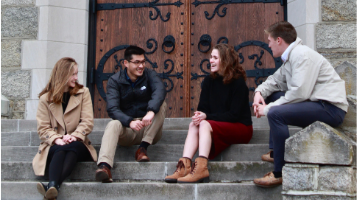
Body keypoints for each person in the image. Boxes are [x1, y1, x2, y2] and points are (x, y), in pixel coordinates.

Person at [252, 21, 348, 187]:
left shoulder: (301, 55)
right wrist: (258, 93)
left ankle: (279, 172)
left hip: (331, 109)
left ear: (279, 40)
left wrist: (266, 109)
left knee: (275, 113)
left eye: (269, 40)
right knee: (274, 95)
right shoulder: (290, 57)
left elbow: (299, 94)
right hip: (318, 104)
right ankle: (276, 152)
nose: (268, 44)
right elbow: (275, 80)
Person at [165, 43, 253, 183]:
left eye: (215, 57)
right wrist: (199, 116)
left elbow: (234, 115)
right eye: (211, 57)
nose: (210, 60)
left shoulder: (238, 83)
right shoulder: (208, 81)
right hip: (216, 124)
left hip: (240, 127)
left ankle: (201, 168)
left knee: (204, 124)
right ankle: (184, 166)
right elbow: (203, 108)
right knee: (194, 125)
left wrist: (207, 117)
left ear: (225, 60)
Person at [95, 45, 167, 183]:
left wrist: (151, 112)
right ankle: (104, 167)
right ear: (126, 63)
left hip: (149, 129)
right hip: (128, 129)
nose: (141, 66)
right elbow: (112, 109)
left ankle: (142, 149)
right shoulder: (115, 81)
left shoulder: (150, 75)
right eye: (137, 62)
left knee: (161, 104)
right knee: (113, 124)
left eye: (143, 62)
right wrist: (129, 122)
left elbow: (160, 91)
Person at [33, 57, 97, 200]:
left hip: (79, 142)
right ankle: (54, 187)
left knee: (72, 147)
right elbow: (43, 128)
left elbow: (87, 121)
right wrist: (57, 138)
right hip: (54, 145)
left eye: (76, 74)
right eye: (73, 74)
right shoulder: (45, 99)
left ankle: (52, 185)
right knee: (62, 149)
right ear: (63, 75)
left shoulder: (83, 92)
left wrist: (74, 136)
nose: (76, 78)